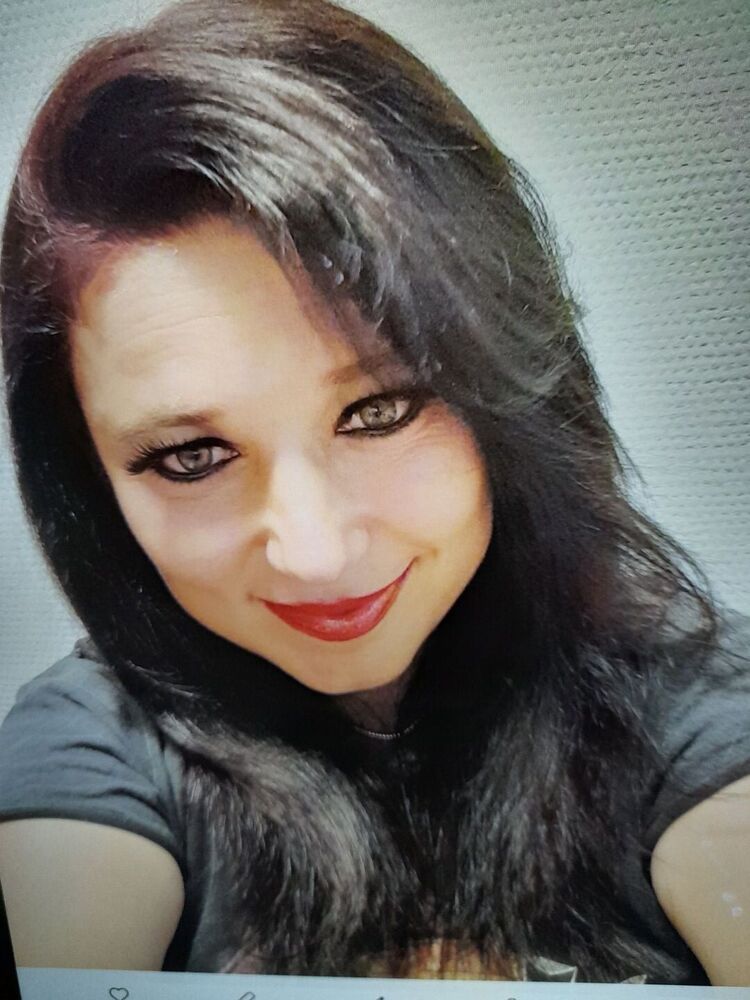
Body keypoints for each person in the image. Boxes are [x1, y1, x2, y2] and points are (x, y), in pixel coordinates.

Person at [0, 0, 748, 985]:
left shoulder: (685, 697)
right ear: (90, 484)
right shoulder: (95, 743)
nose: (314, 552)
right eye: (190, 457)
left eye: (380, 411)